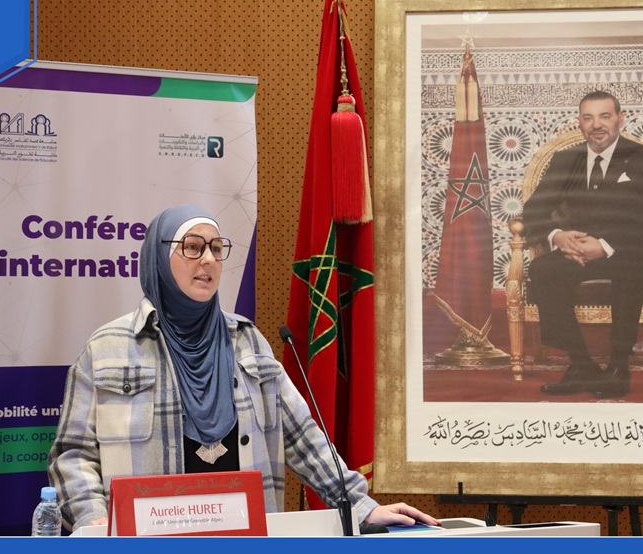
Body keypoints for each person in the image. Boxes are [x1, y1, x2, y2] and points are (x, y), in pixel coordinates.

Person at [47, 204, 439, 531]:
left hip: (243, 534)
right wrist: (93, 519)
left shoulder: (247, 341)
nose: (208, 260)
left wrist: (361, 505)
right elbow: (72, 455)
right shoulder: (107, 349)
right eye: (193, 247)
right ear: (158, 258)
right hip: (147, 537)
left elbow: (302, 436)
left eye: (217, 249)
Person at [522, 91, 643, 399]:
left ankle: (619, 366)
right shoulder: (567, 159)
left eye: (605, 116)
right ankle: (581, 364)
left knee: (628, 266)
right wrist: (558, 237)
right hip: (579, 248)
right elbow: (533, 210)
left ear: (620, 118)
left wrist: (604, 246)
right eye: (588, 117)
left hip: (633, 247)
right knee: (542, 269)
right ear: (579, 122)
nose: (596, 125)